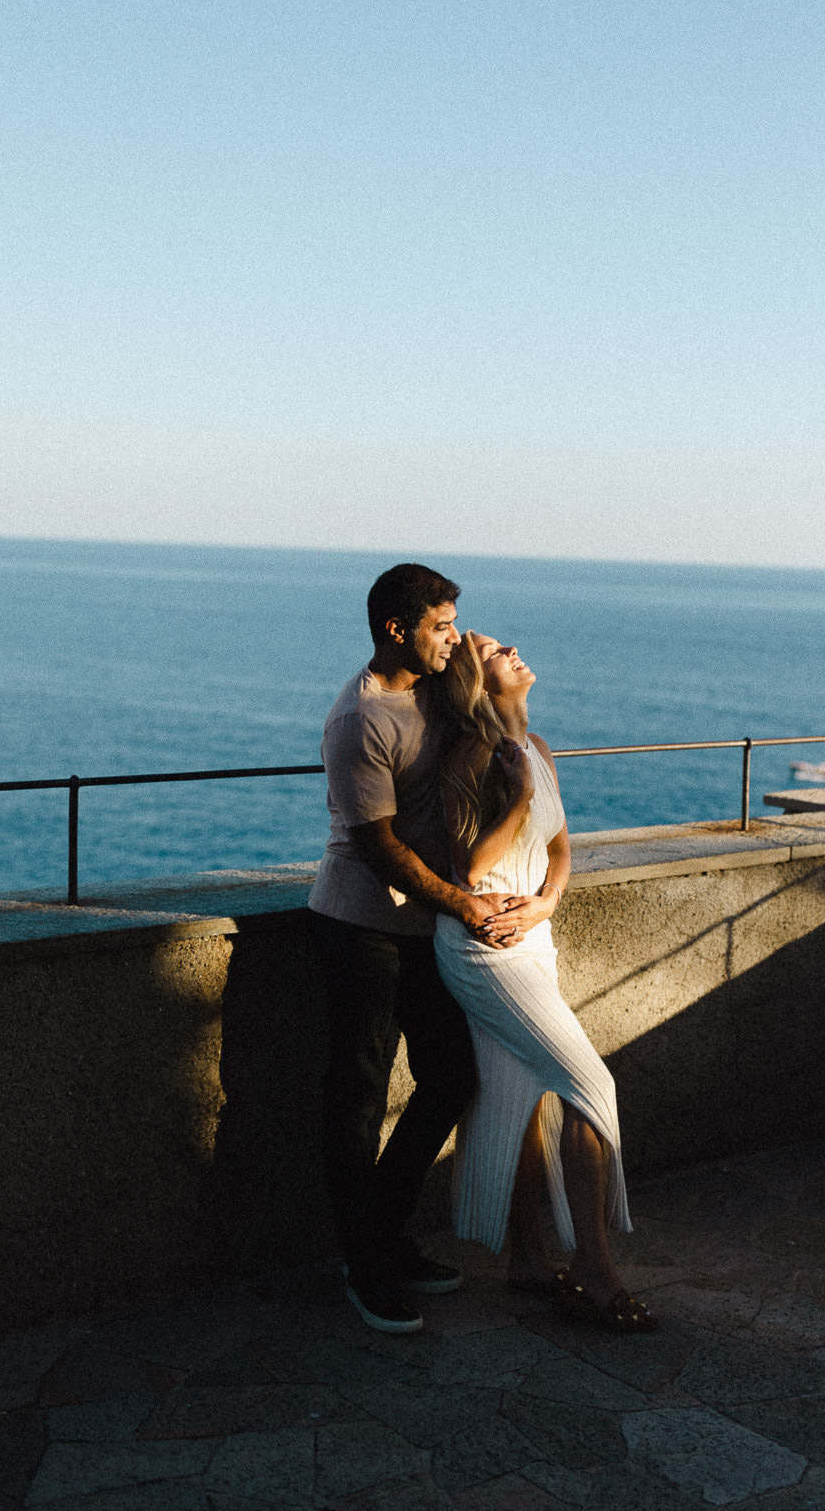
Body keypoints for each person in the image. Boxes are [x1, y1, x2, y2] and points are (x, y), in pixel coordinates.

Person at [307, 564, 516, 1335]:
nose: (453, 638)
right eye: (440, 626)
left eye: (455, 624)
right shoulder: (360, 721)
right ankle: (363, 1264)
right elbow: (378, 848)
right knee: (356, 1097)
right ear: (397, 630)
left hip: (426, 926)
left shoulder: (434, 680)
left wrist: (478, 651)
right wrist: (465, 904)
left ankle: (383, 1237)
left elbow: (494, 677)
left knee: (449, 1077)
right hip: (362, 929)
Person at [433, 631, 658, 1332]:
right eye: (499, 650)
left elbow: (560, 850)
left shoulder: (541, 748)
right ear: (479, 679)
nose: (516, 652)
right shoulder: (472, 754)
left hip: (535, 937)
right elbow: (471, 870)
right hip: (484, 949)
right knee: (592, 1088)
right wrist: (520, 797)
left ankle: (529, 1260)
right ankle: (593, 1268)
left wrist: (549, 900)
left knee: (522, 1094)